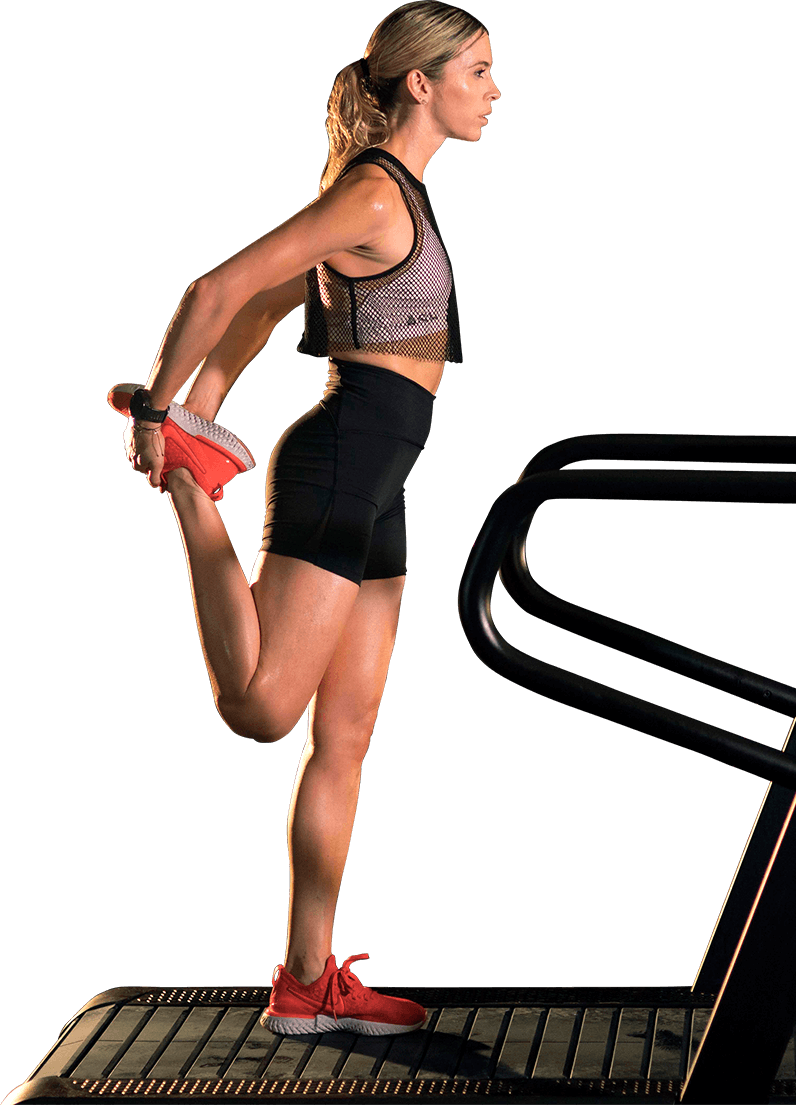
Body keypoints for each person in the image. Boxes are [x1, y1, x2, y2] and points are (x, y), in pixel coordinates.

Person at [107, 1, 499, 1037]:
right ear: (422, 82)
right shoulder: (373, 195)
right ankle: (192, 489)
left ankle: (308, 979)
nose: (494, 91)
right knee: (262, 709)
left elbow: (278, 305)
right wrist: (160, 412)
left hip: (384, 482)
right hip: (339, 462)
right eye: (479, 71)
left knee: (348, 732)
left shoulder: (392, 195)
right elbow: (221, 283)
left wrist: (205, 405)